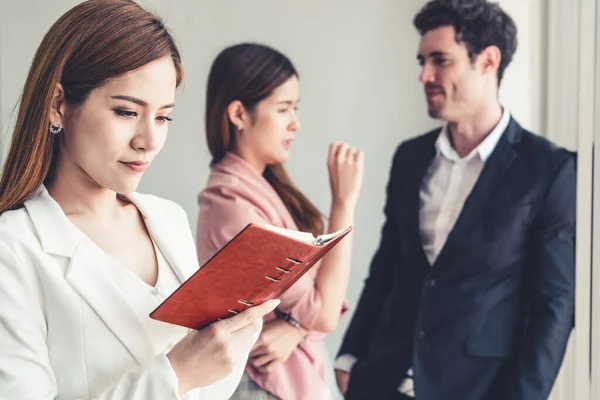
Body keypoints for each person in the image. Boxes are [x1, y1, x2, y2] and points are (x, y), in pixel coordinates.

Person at [0, 1, 278, 399]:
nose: (148, 141)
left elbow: (211, 381)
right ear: (58, 103)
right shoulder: (13, 248)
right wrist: (175, 376)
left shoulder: (168, 220)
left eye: (163, 117)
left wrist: (236, 334)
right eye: (127, 112)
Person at [335, 1, 576, 399]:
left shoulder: (548, 169)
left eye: (440, 60)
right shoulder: (410, 158)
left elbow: (554, 304)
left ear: (488, 61)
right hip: (383, 381)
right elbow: (388, 265)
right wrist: (350, 356)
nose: (424, 75)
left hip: (478, 389)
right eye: (422, 61)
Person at [196, 43, 364, 400]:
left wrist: (295, 327)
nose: (295, 123)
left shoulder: (263, 189)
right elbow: (323, 312)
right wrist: (344, 203)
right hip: (265, 385)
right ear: (239, 114)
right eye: (284, 108)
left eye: (295, 108)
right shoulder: (232, 204)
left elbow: (314, 308)